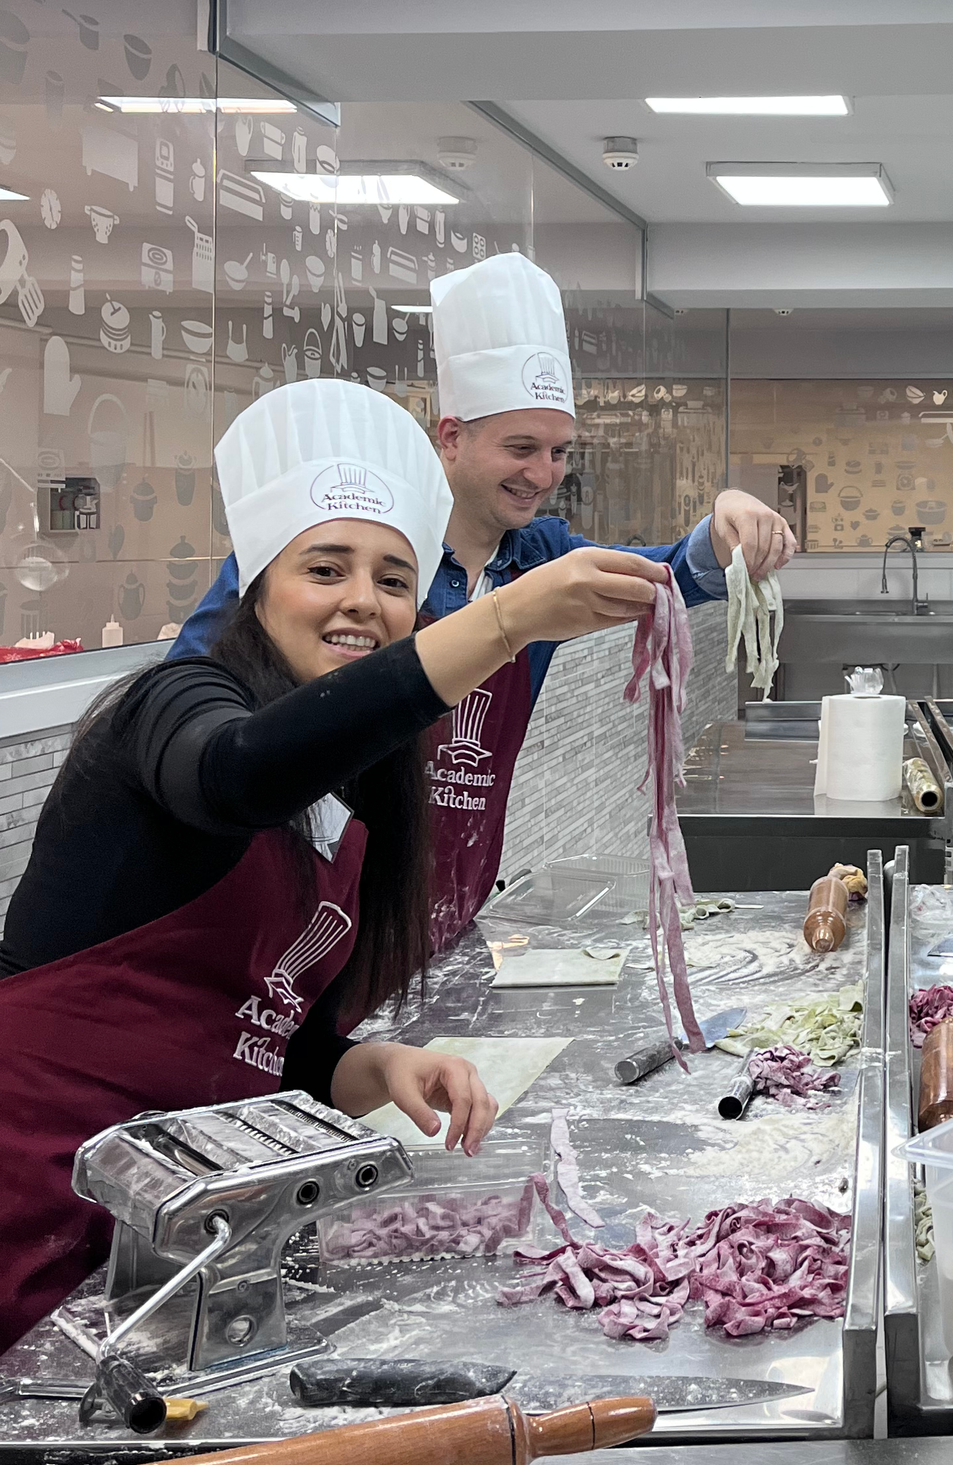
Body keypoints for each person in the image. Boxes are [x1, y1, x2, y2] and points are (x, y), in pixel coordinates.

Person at [0, 379, 676, 1352]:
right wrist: (505, 623)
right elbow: (238, 777)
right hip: (36, 1189)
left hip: (189, 1229)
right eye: (326, 569)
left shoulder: (358, 789)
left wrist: (373, 1064)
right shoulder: (174, 710)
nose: (363, 600)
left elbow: (275, 1043)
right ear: (258, 584)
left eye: (394, 581)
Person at [173, 252, 796, 947]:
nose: (543, 474)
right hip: (309, 899)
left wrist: (728, 525)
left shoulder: (539, 558)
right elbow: (186, 695)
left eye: (560, 452)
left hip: (451, 897)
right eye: (522, 447)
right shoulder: (342, 551)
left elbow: (670, 573)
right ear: (451, 436)